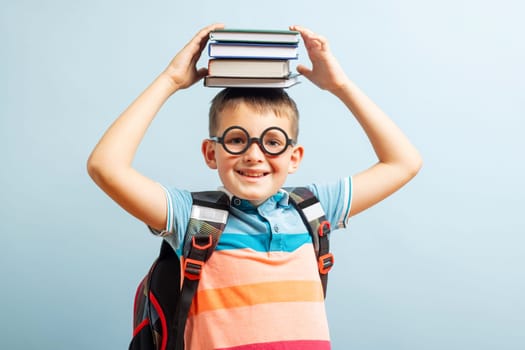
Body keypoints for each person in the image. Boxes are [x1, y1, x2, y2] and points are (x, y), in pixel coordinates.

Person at [87, 23, 422, 350]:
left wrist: (341, 86)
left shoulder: (312, 209)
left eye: (272, 142)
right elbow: (105, 166)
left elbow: (403, 162)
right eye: (236, 139)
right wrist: (170, 80)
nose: (254, 155)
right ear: (210, 152)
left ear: (294, 157)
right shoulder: (192, 217)